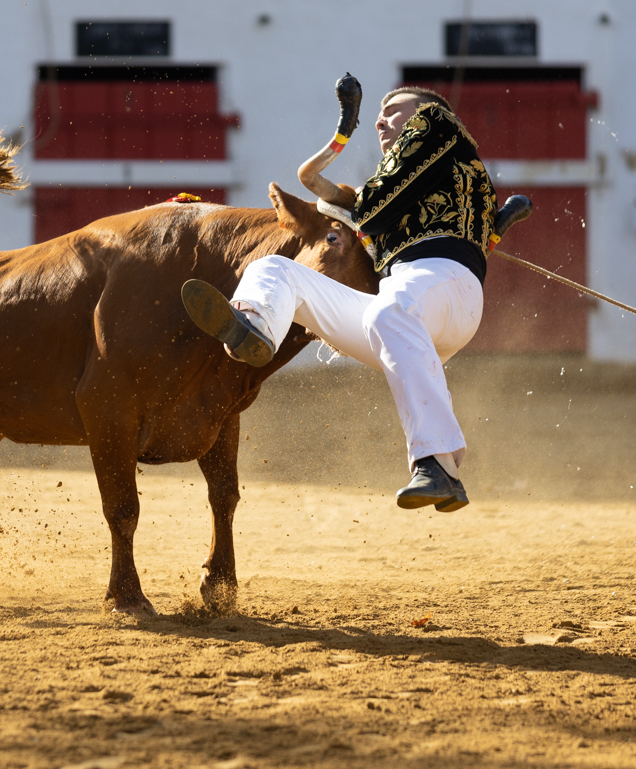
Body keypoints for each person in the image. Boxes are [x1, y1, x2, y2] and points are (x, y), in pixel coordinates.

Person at [183, 87, 496, 512]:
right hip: (401, 324)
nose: (380, 121)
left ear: (424, 112)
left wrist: (347, 198)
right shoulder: (418, 175)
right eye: (377, 114)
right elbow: (353, 200)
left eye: (392, 111)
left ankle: (438, 465)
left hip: (443, 285)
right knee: (274, 271)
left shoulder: (439, 126)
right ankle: (254, 329)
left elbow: (372, 207)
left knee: (391, 308)